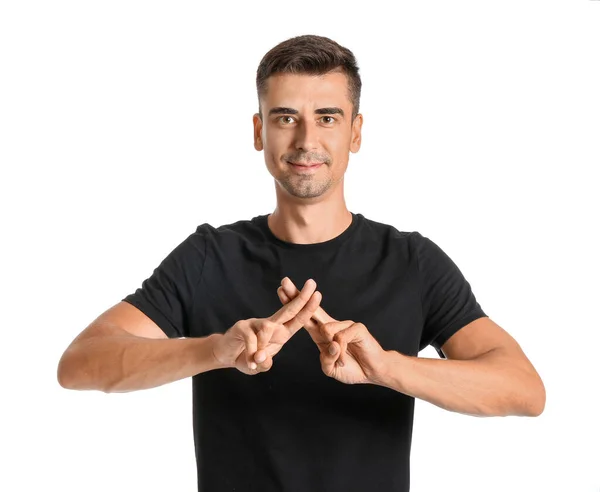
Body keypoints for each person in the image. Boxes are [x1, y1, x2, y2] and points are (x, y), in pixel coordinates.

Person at [57, 34, 546, 492]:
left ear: (355, 132)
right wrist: (214, 352)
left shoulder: (411, 262)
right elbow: (80, 364)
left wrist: (387, 368)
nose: (306, 140)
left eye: (328, 118)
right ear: (259, 131)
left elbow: (524, 389)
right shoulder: (210, 257)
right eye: (286, 117)